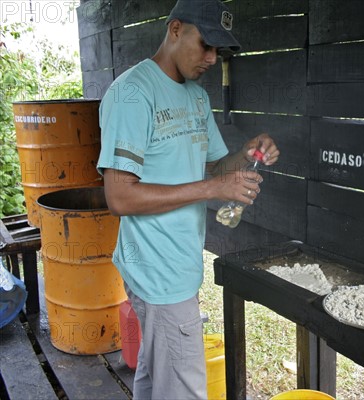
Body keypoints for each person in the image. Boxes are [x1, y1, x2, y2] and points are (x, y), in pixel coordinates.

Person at [97, 0, 279, 398]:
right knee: (184, 388)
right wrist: (214, 189)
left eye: (220, 51)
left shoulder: (195, 96)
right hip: (158, 271)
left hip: (179, 262)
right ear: (175, 29)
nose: (212, 59)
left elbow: (216, 166)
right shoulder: (132, 94)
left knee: (153, 373)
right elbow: (120, 197)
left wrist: (246, 155)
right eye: (206, 45)